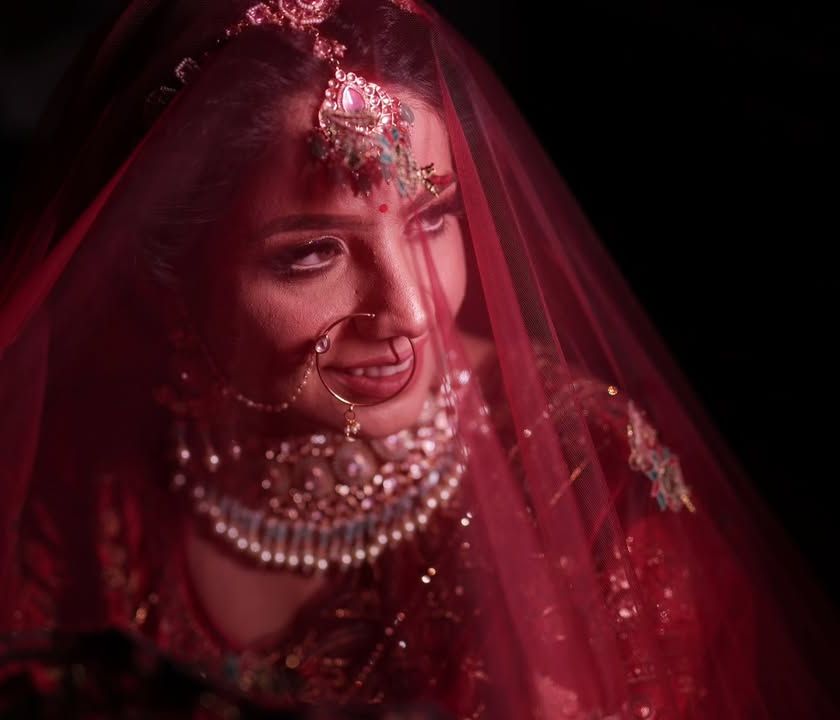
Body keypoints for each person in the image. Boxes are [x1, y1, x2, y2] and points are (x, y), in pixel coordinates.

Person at [0, 1, 837, 718]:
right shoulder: (82, 455)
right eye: (312, 254)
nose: (409, 312)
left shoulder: (594, 493)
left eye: (433, 218)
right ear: (168, 269)